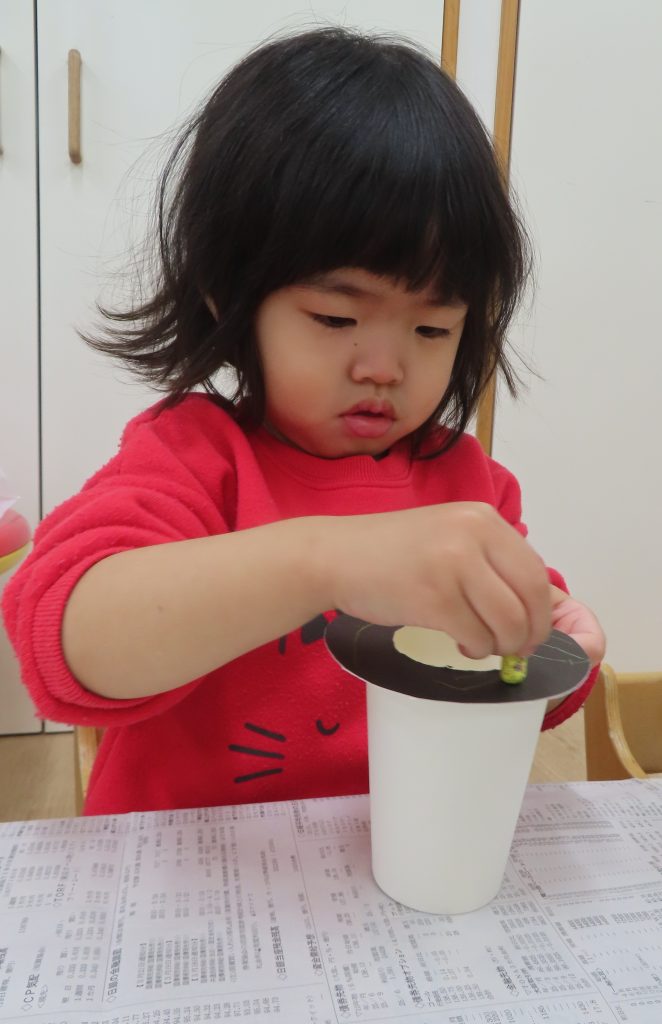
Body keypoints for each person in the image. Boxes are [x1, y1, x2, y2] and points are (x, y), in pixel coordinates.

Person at [2, 27, 605, 815]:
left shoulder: (468, 484)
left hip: (391, 855)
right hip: (198, 861)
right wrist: (328, 561)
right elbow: (63, 643)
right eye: (334, 317)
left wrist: (557, 656)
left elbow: (506, 680)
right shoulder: (193, 455)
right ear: (229, 295)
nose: (384, 366)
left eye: (432, 329)